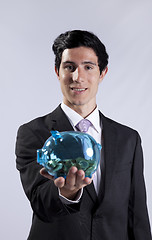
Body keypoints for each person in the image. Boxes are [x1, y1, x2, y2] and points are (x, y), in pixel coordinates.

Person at [15, 30, 152, 240]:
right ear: (57, 71)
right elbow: (40, 202)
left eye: (88, 67)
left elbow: (137, 216)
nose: (77, 77)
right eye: (69, 67)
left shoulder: (128, 139)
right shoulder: (33, 133)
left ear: (102, 73)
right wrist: (67, 193)